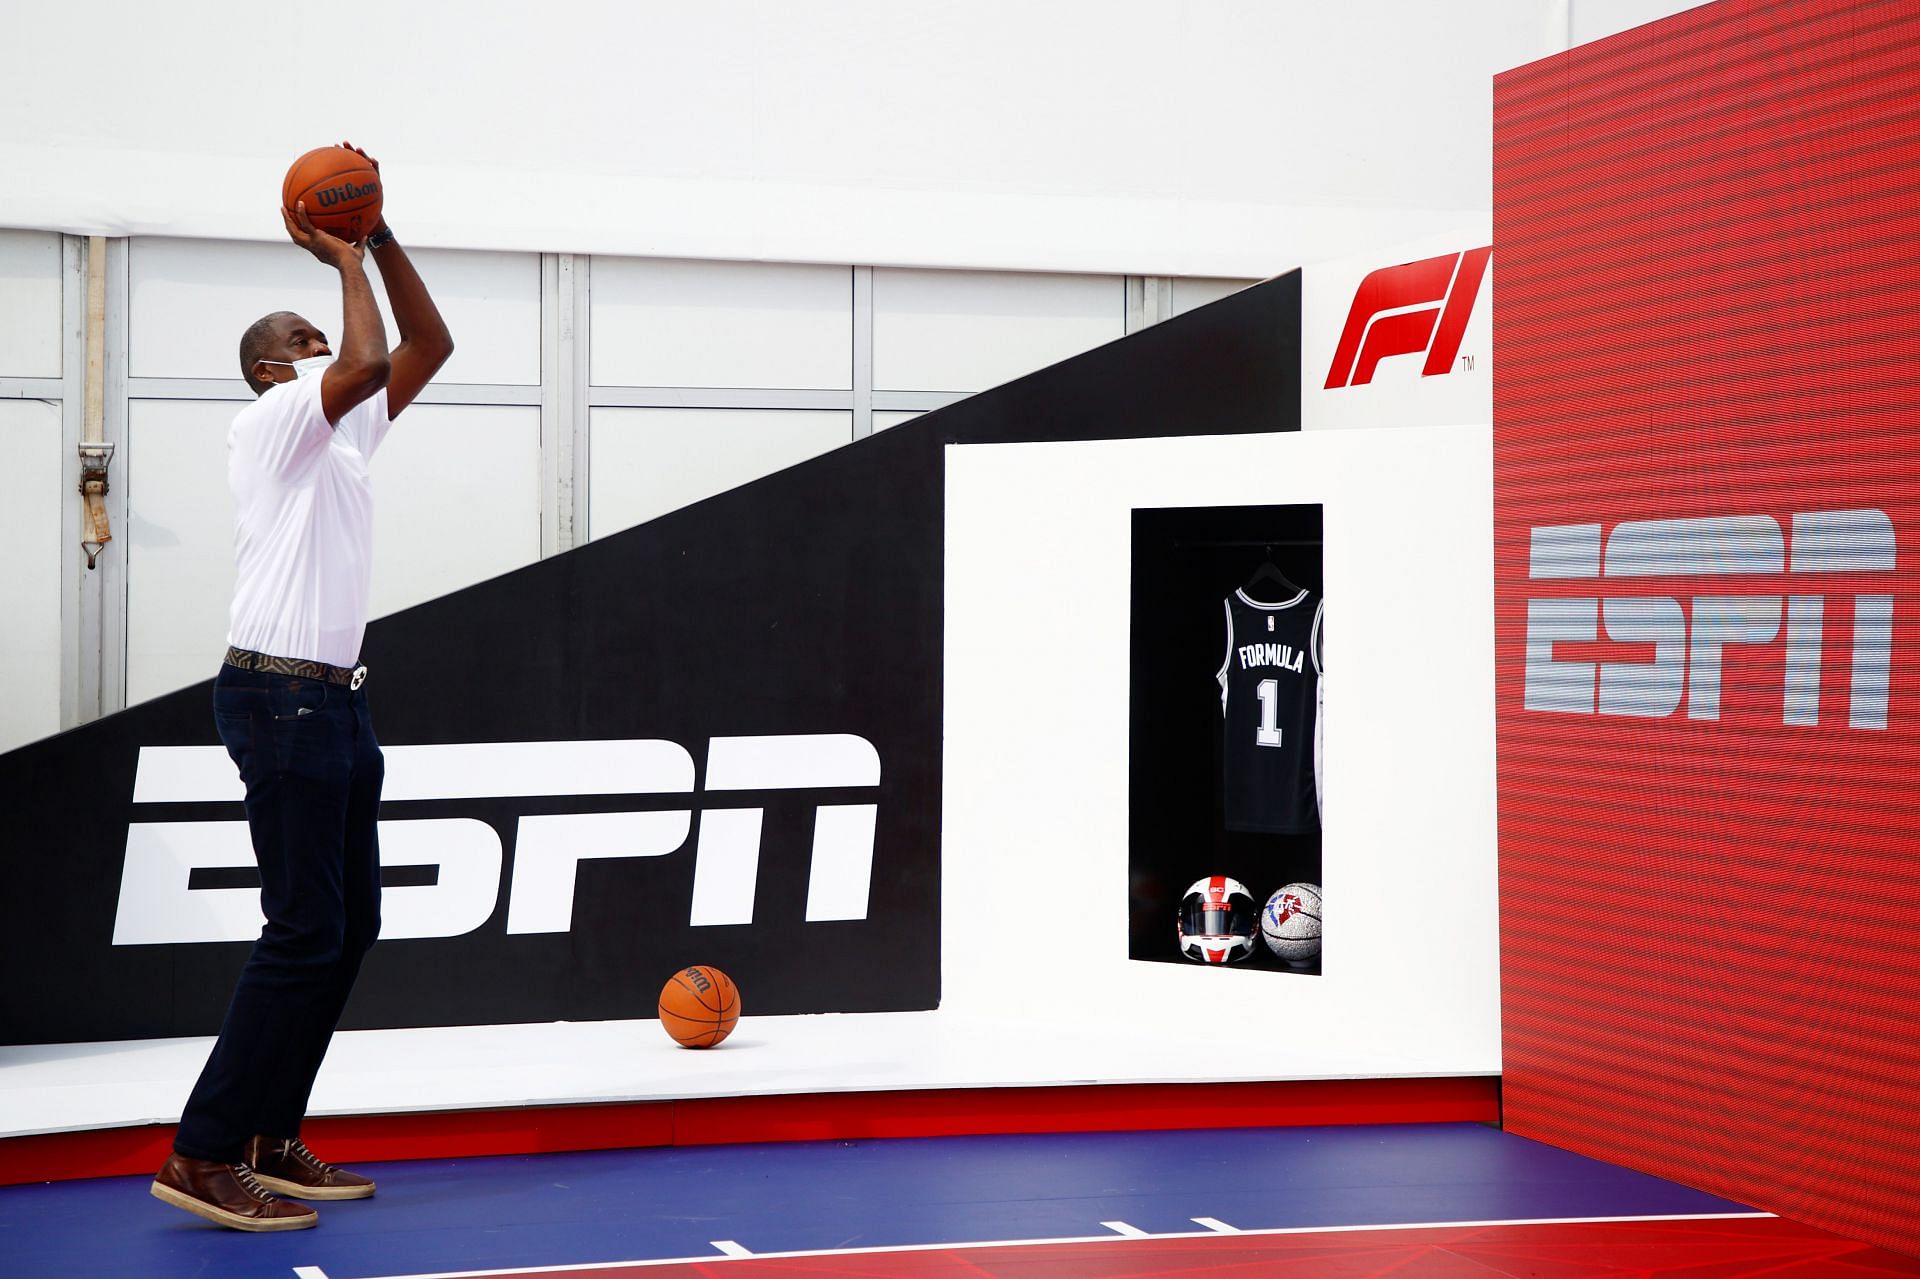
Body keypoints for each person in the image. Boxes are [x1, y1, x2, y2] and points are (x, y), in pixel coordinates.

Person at [150, 143, 453, 1232]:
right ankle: (200, 1152)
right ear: (269, 370)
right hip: (278, 697)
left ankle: (271, 1137)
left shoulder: (344, 436)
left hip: (334, 698)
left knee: (348, 922)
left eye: (318, 332)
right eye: (297, 339)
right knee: (299, 930)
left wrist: (377, 235)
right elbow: (368, 359)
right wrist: (339, 260)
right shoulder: (274, 421)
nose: (318, 339)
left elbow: (428, 344)